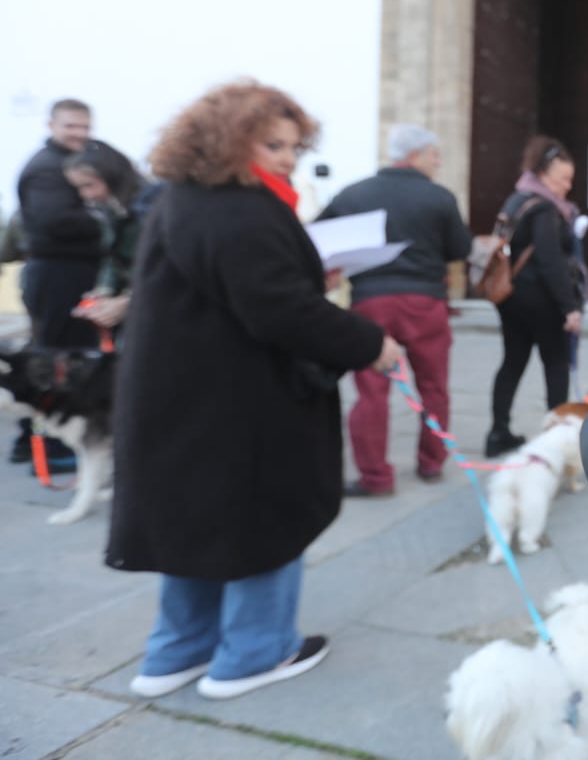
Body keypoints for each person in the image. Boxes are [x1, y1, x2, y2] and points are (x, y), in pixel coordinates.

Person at [106, 81, 401, 701]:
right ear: (226, 141)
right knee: (263, 518)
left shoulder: (186, 200)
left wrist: (306, 272)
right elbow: (280, 309)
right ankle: (253, 653)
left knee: (195, 523)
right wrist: (369, 342)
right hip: (241, 405)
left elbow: (239, 288)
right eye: (273, 145)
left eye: (294, 146)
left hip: (187, 401)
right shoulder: (240, 208)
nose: (288, 158)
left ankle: (175, 653)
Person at [318, 124, 472, 497]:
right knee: (433, 386)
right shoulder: (439, 197)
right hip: (425, 302)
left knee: (371, 391)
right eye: (435, 155)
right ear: (415, 155)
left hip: (370, 300)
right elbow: (459, 250)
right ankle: (431, 464)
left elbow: (318, 237)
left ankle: (376, 477)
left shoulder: (353, 193)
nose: (438, 163)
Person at [11, 99, 120, 470]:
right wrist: (106, 219)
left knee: (61, 357)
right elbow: (56, 221)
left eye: (85, 127)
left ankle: (39, 440)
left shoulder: (64, 164)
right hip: (57, 275)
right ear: (51, 124)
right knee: (54, 362)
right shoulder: (46, 170)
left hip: (69, 273)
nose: (79, 133)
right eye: (71, 126)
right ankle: (45, 445)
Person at [486, 135, 585, 458]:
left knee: (512, 362)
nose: (567, 186)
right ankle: (556, 442)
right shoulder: (544, 208)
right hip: (540, 300)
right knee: (555, 364)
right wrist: (569, 308)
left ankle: (498, 432)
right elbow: (550, 261)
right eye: (562, 179)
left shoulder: (517, 199)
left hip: (510, 297)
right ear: (544, 173)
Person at [62, 144, 149, 339]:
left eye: (89, 185)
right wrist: (104, 290)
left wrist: (128, 300)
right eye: (79, 188)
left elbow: (160, 266)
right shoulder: (108, 209)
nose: (85, 195)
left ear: (112, 175)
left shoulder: (150, 207)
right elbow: (112, 256)